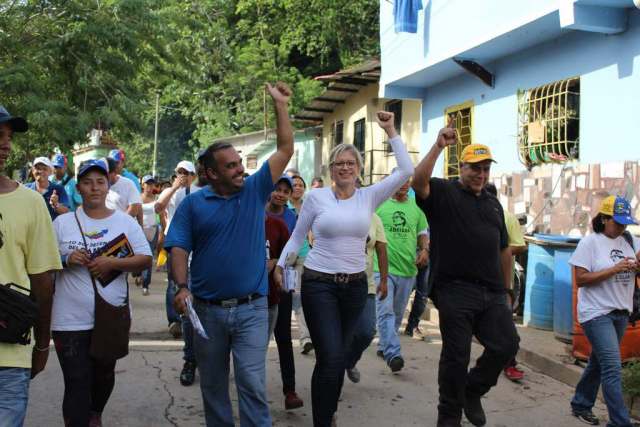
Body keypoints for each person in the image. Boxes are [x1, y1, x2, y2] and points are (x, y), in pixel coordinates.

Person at [165, 82, 294, 427]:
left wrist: (280, 105)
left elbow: (285, 148)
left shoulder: (254, 190)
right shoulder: (193, 204)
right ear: (211, 173)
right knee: (213, 387)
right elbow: (178, 246)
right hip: (206, 313)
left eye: (239, 163)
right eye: (232, 165)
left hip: (253, 308)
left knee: (252, 383)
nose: (240, 169)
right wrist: (181, 286)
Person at [274, 111, 413, 427]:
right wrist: (282, 264)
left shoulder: (369, 197)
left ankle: (329, 409)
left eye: (351, 163)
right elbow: (297, 236)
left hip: (354, 288)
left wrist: (390, 128)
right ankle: (323, 420)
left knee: (333, 359)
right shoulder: (316, 198)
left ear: (359, 169)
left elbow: (406, 169)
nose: (346, 167)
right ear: (331, 170)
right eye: (340, 163)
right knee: (333, 356)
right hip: (318, 284)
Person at [412, 119, 519, 427]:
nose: (481, 175)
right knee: (456, 356)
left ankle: (472, 390)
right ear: (462, 167)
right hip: (454, 290)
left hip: (492, 292)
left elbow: (503, 249)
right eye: (475, 168)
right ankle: (449, 415)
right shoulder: (444, 192)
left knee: (506, 345)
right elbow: (419, 182)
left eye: (486, 169)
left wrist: (508, 289)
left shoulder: (494, 205)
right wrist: (438, 145)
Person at [51, 158, 152, 427]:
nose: (94, 188)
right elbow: (43, 260)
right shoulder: (62, 223)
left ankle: (96, 412)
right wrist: (66, 257)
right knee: (76, 382)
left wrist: (112, 263)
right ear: (78, 189)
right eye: (87, 182)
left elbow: (145, 258)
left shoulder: (125, 223)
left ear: (108, 187)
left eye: (100, 182)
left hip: (110, 316)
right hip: (68, 319)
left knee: (103, 376)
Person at [0, 106, 61, 427]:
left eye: (8, 137)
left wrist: (41, 343)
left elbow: (43, 283)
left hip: (9, 356)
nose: (5, 145)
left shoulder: (30, 202)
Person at [569, 195, 640, 427]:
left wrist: (636, 266)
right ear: (604, 219)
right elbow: (580, 279)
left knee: (598, 362)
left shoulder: (627, 241)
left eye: (625, 223)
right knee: (612, 366)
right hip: (596, 313)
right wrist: (614, 268)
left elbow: (631, 272)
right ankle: (620, 422)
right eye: (617, 222)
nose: (622, 227)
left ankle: (581, 403)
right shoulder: (590, 243)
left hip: (620, 312)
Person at [374, 177, 429, 372]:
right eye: (400, 181)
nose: (404, 184)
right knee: (385, 310)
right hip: (381, 269)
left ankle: (383, 346)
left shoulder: (416, 209)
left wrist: (424, 250)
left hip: (408, 269)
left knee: (396, 314)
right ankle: (393, 353)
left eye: (408, 181)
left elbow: (423, 232)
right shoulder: (379, 205)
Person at [155, 160, 199, 385]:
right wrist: (175, 187)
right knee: (185, 306)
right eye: (179, 172)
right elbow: (158, 208)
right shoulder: (173, 193)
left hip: (204, 261)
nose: (183, 176)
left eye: (187, 173)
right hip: (180, 252)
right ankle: (189, 360)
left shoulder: (201, 193)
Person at [485, 183, 528, 382]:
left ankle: (508, 363)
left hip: (501, 283)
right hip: (474, 283)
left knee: (505, 325)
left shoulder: (507, 217)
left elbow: (519, 245)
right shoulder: (469, 213)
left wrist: (502, 250)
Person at [265, 214, 305, 410]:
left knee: (284, 339)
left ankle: (290, 390)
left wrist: (275, 263)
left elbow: (291, 254)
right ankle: (251, 390)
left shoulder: (284, 221)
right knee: (252, 345)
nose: (280, 194)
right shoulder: (243, 219)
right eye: (277, 190)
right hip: (251, 295)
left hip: (278, 292)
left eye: (285, 190)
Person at [346, 212, 389, 383]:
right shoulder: (339, 213)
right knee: (339, 333)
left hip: (366, 284)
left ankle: (349, 361)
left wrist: (384, 280)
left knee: (366, 331)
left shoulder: (375, 218)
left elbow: (381, 249)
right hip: (337, 284)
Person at [289, 175, 314, 354]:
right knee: (285, 296)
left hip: (304, 255)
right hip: (285, 257)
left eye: (300, 185)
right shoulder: (282, 205)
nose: (297, 187)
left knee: (299, 297)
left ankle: (305, 338)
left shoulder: (309, 205)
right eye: (294, 185)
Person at [139, 175, 161, 296]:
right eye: (147, 184)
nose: (149, 186)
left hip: (153, 230)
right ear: (143, 185)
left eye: (152, 184)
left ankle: (145, 285)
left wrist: (164, 233)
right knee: (139, 256)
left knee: (149, 257)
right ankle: (137, 273)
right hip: (139, 230)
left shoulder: (157, 198)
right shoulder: (136, 198)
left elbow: (162, 215)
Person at [105, 157, 142, 225]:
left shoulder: (128, 183)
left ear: (114, 172)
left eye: (108, 173)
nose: (105, 177)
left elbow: (135, 207)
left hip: (124, 228)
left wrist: (119, 224)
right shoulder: (99, 186)